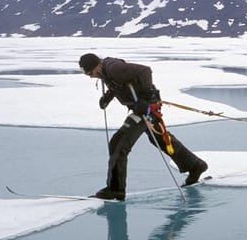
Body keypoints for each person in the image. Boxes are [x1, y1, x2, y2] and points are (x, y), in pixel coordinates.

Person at [79, 53, 208, 201]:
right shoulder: (106, 72)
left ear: (97, 65)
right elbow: (121, 84)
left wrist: (145, 98)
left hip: (147, 110)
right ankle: (195, 166)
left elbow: (144, 70)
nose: (91, 76)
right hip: (143, 109)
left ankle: (115, 190)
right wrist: (107, 98)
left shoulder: (114, 68)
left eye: (90, 73)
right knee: (160, 140)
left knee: (118, 143)